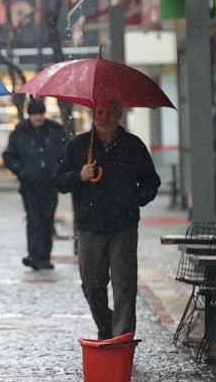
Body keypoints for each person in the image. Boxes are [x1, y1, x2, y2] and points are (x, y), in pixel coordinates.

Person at [54, 99, 160, 339]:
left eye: (108, 113)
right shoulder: (79, 145)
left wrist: (134, 199)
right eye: (99, 113)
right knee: (92, 286)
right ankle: (107, 325)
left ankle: (121, 339)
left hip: (123, 226)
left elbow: (151, 182)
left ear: (119, 114)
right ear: (93, 115)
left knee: (124, 286)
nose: (103, 118)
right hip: (90, 226)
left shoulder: (132, 146)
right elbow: (59, 180)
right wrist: (79, 175)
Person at [3, 98, 67, 270]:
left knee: (47, 219)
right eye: (34, 114)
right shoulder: (20, 132)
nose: (37, 118)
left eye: (40, 114)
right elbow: (9, 156)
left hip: (49, 184)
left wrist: (57, 171)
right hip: (29, 184)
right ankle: (34, 254)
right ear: (29, 115)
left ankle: (44, 256)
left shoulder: (55, 130)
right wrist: (22, 171)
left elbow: (65, 152)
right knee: (33, 219)